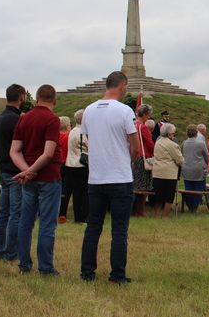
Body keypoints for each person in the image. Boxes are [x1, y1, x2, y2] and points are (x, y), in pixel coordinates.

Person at [80, 71, 140, 284]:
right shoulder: (125, 110)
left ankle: (87, 272)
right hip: (119, 177)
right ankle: (117, 275)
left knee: (93, 226)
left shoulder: (88, 110)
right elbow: (135, 146)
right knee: (119, 229)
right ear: (122, 86)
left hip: (96, 177)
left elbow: (87, 138)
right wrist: (128, 160)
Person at [10, 84, 63, 276]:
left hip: (29, 180)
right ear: (54, 100)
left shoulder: (24, 119)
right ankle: (46, 268)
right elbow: (48, 154)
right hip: (49, 177)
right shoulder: (51, 119)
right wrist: (31, 171)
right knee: (47, 224)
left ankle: (24, 264)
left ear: (37, 98)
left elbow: (14, 151)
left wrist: (26, 171)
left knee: (26, 222)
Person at [0, 83, 26, 262]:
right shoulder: (17, 119)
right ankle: (11, 253)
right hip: (15, 172)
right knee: (16, 214)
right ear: (21, 97)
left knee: (3, 213)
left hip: (3, 170)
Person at [59, 109, 89, 223]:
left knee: (76, 192)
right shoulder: (84, 132)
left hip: (70, 163)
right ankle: (83, 216)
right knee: (84, 192)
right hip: (81, 164)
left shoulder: (71, 132)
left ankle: (77, 216)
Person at [151, 123, 183, 217]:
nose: (173, 135)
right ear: (169, 134)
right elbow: (180, 160)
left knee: (158, 195)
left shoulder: (158, 142)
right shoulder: (172, 145)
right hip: (169, 173)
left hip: (157, 172)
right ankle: (165, 216)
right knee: (169, 196)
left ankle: (156, 214)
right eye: (173, 133)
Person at [132, 104, 154, 215]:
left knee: (135, 184)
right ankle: (140, 210)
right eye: (149, 116)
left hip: (134, 157)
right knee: (143, 186)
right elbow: (150, 144)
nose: (149, 118)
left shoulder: (133, 124)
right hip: (143, 157)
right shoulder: (143, 127)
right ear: (145, 114)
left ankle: (134, 209)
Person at [181, 125, 209, 212]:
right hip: (198, 169)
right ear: (196, 132)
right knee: (198, 188)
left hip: (186, 168)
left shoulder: (184, 143)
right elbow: (207, 156)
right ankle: (194, 206)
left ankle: (190, 205)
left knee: (188, 188)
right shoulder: (201, 143)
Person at [57, 116, 72, 223]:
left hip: (56, 164)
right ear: (67, 127)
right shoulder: (68, 137)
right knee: (65, 190)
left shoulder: (55, 136)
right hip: (66, 164)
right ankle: (62, 213)